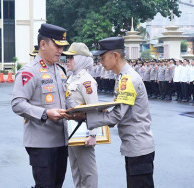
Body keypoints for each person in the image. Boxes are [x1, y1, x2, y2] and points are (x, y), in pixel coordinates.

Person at [66, 37, 155, 188]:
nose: (100, 60)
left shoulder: (128, 79)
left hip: (138, 147)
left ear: (115, 56)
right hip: (133, 146)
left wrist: (86, 117)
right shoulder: (121, 77)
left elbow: (117, 116)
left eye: (103, 56)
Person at [11, 23, 73, 188]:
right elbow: (17, 103)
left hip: (61, 141)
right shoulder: (30, 71)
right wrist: (45, 113)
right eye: (57, 46)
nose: (60, 51)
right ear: (43, 44)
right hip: (41, 144)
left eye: (62, 47)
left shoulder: (60, 70)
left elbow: (67, 99)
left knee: (57, 185)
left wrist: (80, 111)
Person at [63, 42, 99, 188]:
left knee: (88, 172)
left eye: (71, 58)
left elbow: (93, 109)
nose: (68, 61)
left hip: (84, 132)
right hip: (71, 131)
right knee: (76, 170)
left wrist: (93, 134)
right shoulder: (71, 78)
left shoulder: (87, 81)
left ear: (81, 59)